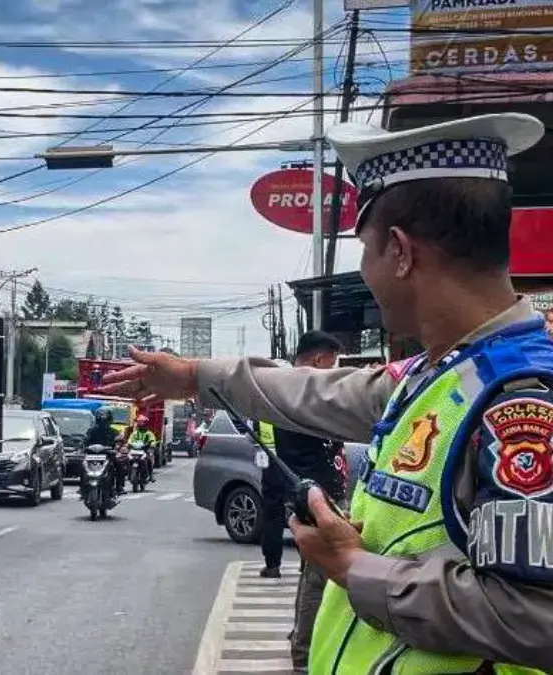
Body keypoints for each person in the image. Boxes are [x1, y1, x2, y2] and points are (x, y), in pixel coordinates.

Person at [98, 113, 553, 672]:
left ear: (402, 252)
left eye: (365, 249)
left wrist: (355, 568)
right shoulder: (438, 376)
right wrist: (195, 377)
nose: (365, 270)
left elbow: (535, 616)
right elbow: (315, 393)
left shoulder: (521, 400)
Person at [257, 331, 347, 673]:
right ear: (319, 359)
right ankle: (304, 654)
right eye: (333, 362)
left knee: (312, 571)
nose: (333, 370)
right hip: (312, 493)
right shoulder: (299, 390)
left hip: (318, 491)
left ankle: (300, 641)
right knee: (319, 578)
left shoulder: (303, 389)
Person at [84, 408, 124, 496]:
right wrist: (83, 446)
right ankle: (82, 488)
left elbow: (119, 441)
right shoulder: (92, 431)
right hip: (92, 455)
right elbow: (85, 440)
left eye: (105, 419)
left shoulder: (113, 431)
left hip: (108, 455)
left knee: (119, 465)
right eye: (100, 418)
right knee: (82, 467)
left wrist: (118, 445)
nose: (102, 420)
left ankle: (119, 487)